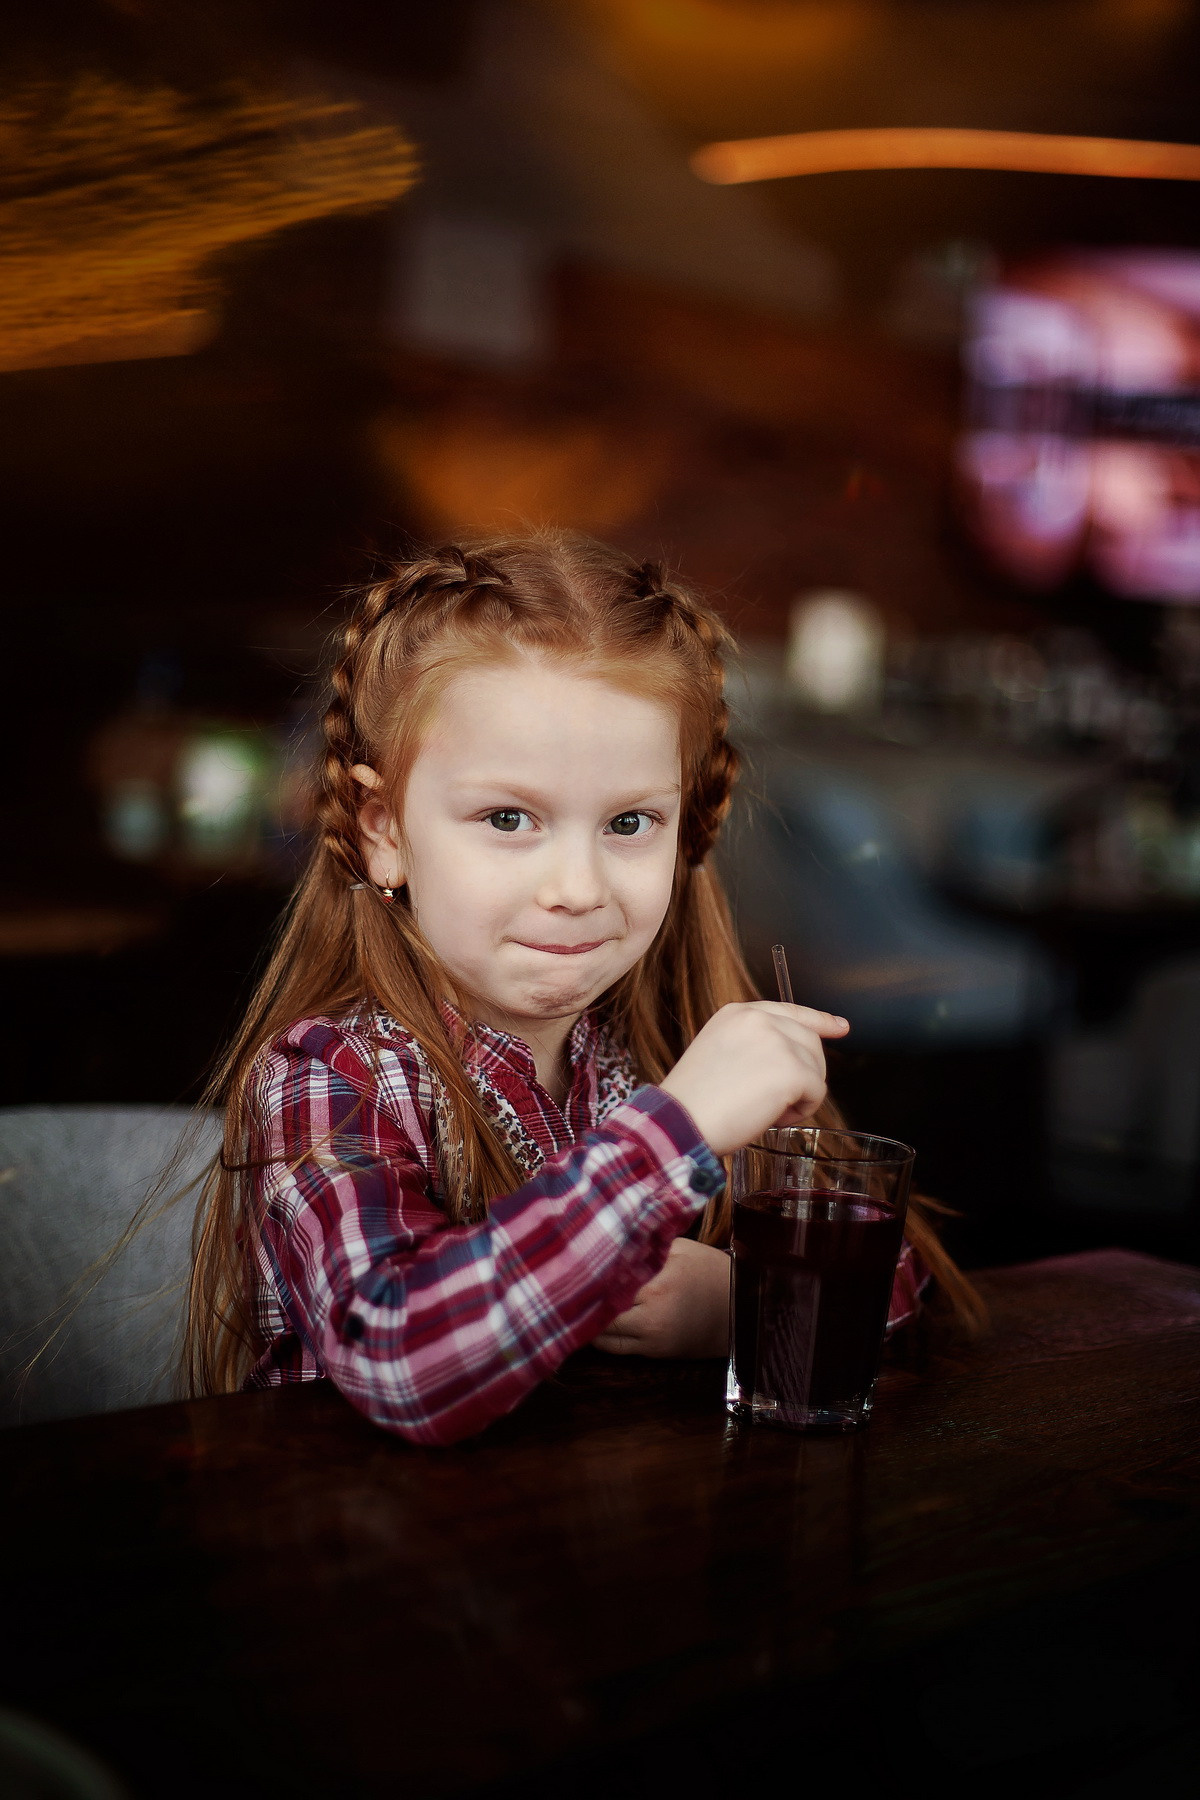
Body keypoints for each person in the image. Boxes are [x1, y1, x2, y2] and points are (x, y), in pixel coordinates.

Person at [188, 533, 975, 1445]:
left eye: (630, 822)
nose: (579, 886)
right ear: (384, 831)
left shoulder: (668, 1050)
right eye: (509, 818)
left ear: (686, 831)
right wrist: (675, 1134)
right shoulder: (329, 1078)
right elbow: (401, 1359)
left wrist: (738, 1305)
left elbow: (908, 1283)